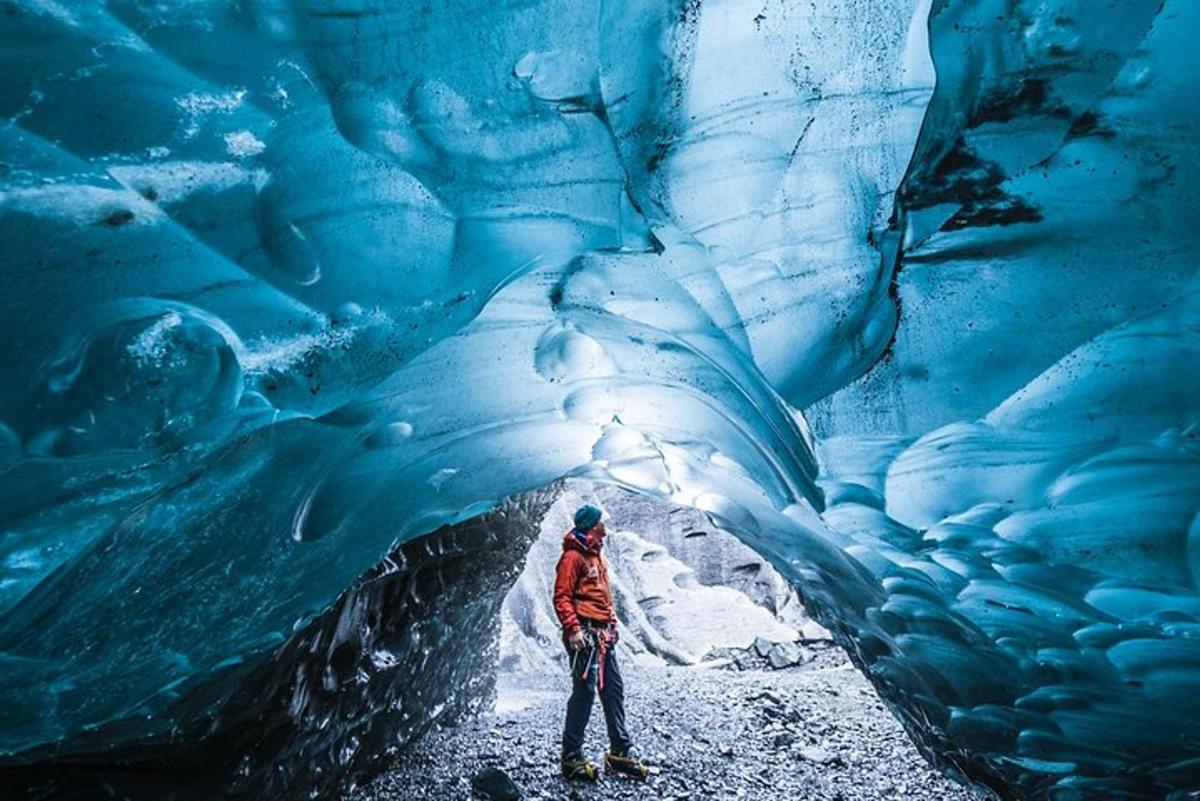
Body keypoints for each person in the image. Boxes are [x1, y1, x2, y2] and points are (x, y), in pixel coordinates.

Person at [552, 504, 650, 782]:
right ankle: (571, 756)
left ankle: (619, 751)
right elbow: (562, 596)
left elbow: (603, 598)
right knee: (584, 693)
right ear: (592, 525)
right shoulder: (572, 557)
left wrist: (613, 624)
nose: (606, 524)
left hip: (603, 635)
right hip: (584, 634)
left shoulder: (596, 556)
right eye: (602, 521)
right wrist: (573, 629)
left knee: (613, 690)